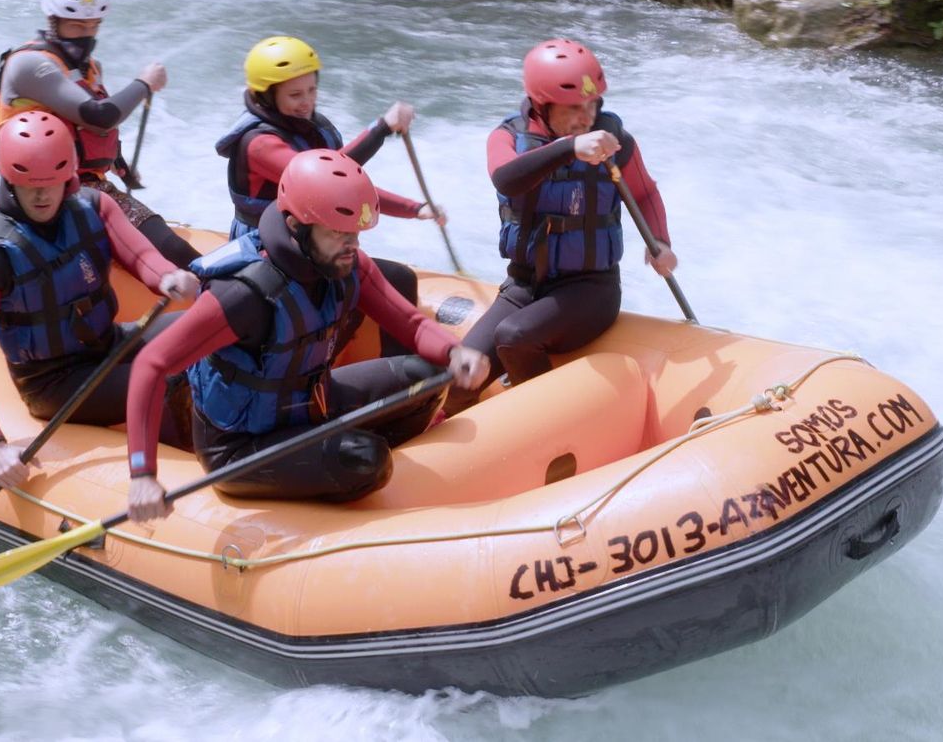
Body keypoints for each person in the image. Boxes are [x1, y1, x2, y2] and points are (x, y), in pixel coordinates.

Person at [121, 150, 489, 521]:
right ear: (296, 226)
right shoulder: (244, 294)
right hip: (241, 448)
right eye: (338, 233)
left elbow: (409, 323)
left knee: (425, 379)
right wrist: (142, 475)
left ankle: (330, 464)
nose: (354, 246)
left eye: (356, 234)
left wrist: (454, 352)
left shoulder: (344, 264)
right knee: (367, 460)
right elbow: (152, 364)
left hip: (314, 405)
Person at [0, 111, 200, 490]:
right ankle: (195, 469)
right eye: (30, 184)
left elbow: (141, 258)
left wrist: (168, 276)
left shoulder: (94, 206)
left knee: (211, 332)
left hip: (109, 342)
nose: (42, 194)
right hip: (53, 383)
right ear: (8, 177)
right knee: (171, 378)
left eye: (52, 183)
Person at [448, 39, 677, 413]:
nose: (586, 118)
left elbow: (646, 193)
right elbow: (506, 179)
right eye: (574, 108)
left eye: (592, 104)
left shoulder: (615, 141)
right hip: (524, 285)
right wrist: (570, 147)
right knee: (459, 374)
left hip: (591, 289)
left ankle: (549, 423)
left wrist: (661, 243)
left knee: (514, 336)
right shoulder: (507, 136)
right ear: (542, 104)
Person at [215, 36, 441, 356]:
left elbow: (344, 188)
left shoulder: (309, 126)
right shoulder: (259, 144)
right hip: (270, 248)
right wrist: (381, 128)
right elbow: (326, 181)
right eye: (295, 94)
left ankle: (398, 388)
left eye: (311, 91)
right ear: (266, 96)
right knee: (382, 281)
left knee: (395, 279)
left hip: (312, 240)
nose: (306, 102)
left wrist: (414, 208)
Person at [0, 0, 200, 268]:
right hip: (42, 183)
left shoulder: (90, 67)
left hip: (88, 183)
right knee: (170, 248)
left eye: (93, 26)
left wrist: (120, 165)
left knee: (170, 246)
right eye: (77, 26)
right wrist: (144, 84)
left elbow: (85, 129)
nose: (87, 35)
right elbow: (99, 116)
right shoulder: (29, 64)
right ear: (53, 21)